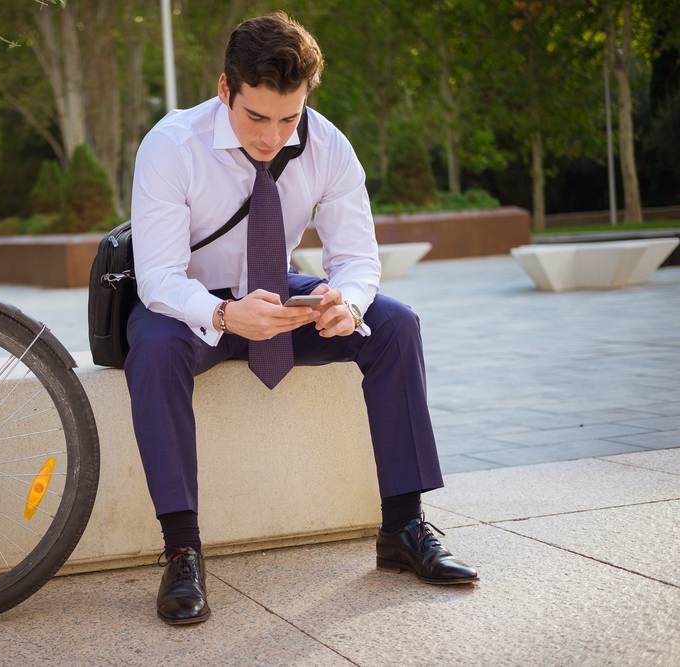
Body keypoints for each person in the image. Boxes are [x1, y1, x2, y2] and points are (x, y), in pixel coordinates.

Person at [126, 11, 478, 626]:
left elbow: (357, 259)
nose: (271, 136)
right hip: (189, 302)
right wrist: (226, 315)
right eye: (256, 117)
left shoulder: (327, 145)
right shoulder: (170, 146)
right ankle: (181, 549)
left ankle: (403, 528)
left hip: (277, 293)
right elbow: (156, 278)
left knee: (394, 325)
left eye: (288, 118)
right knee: (153, 352)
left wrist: (346, 302)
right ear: (224, 89)